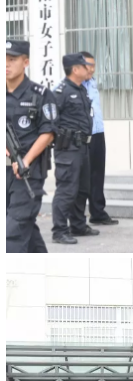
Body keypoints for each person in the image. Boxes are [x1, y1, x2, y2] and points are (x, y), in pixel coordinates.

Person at [6, 40, 56, 253]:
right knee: (23, 226)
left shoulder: (40, 94)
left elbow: (49, 132)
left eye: (12, 59)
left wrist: (25, 160)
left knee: (13, 232)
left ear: (25, 62)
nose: (6, 64)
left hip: (28, 172)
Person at [52, 53, 99, 244]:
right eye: (84, 66)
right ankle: (59, 231)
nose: (88, 69)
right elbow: (51, 120)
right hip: (68, 149)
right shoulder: (61, 92)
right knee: (67, 190)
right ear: (75, 69)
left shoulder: (81, 90)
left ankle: (78, 225)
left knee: (82, 189)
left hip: (82, 147)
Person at [81, 52, 119, 226]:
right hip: (82, 135)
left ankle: (97, 212)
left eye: (93, 66)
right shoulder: (71, 86)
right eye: (88, 65)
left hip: (97, 132)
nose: (91, 69)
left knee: (97, 174)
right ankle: (77, 218)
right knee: (82, 177)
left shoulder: (93, 83)